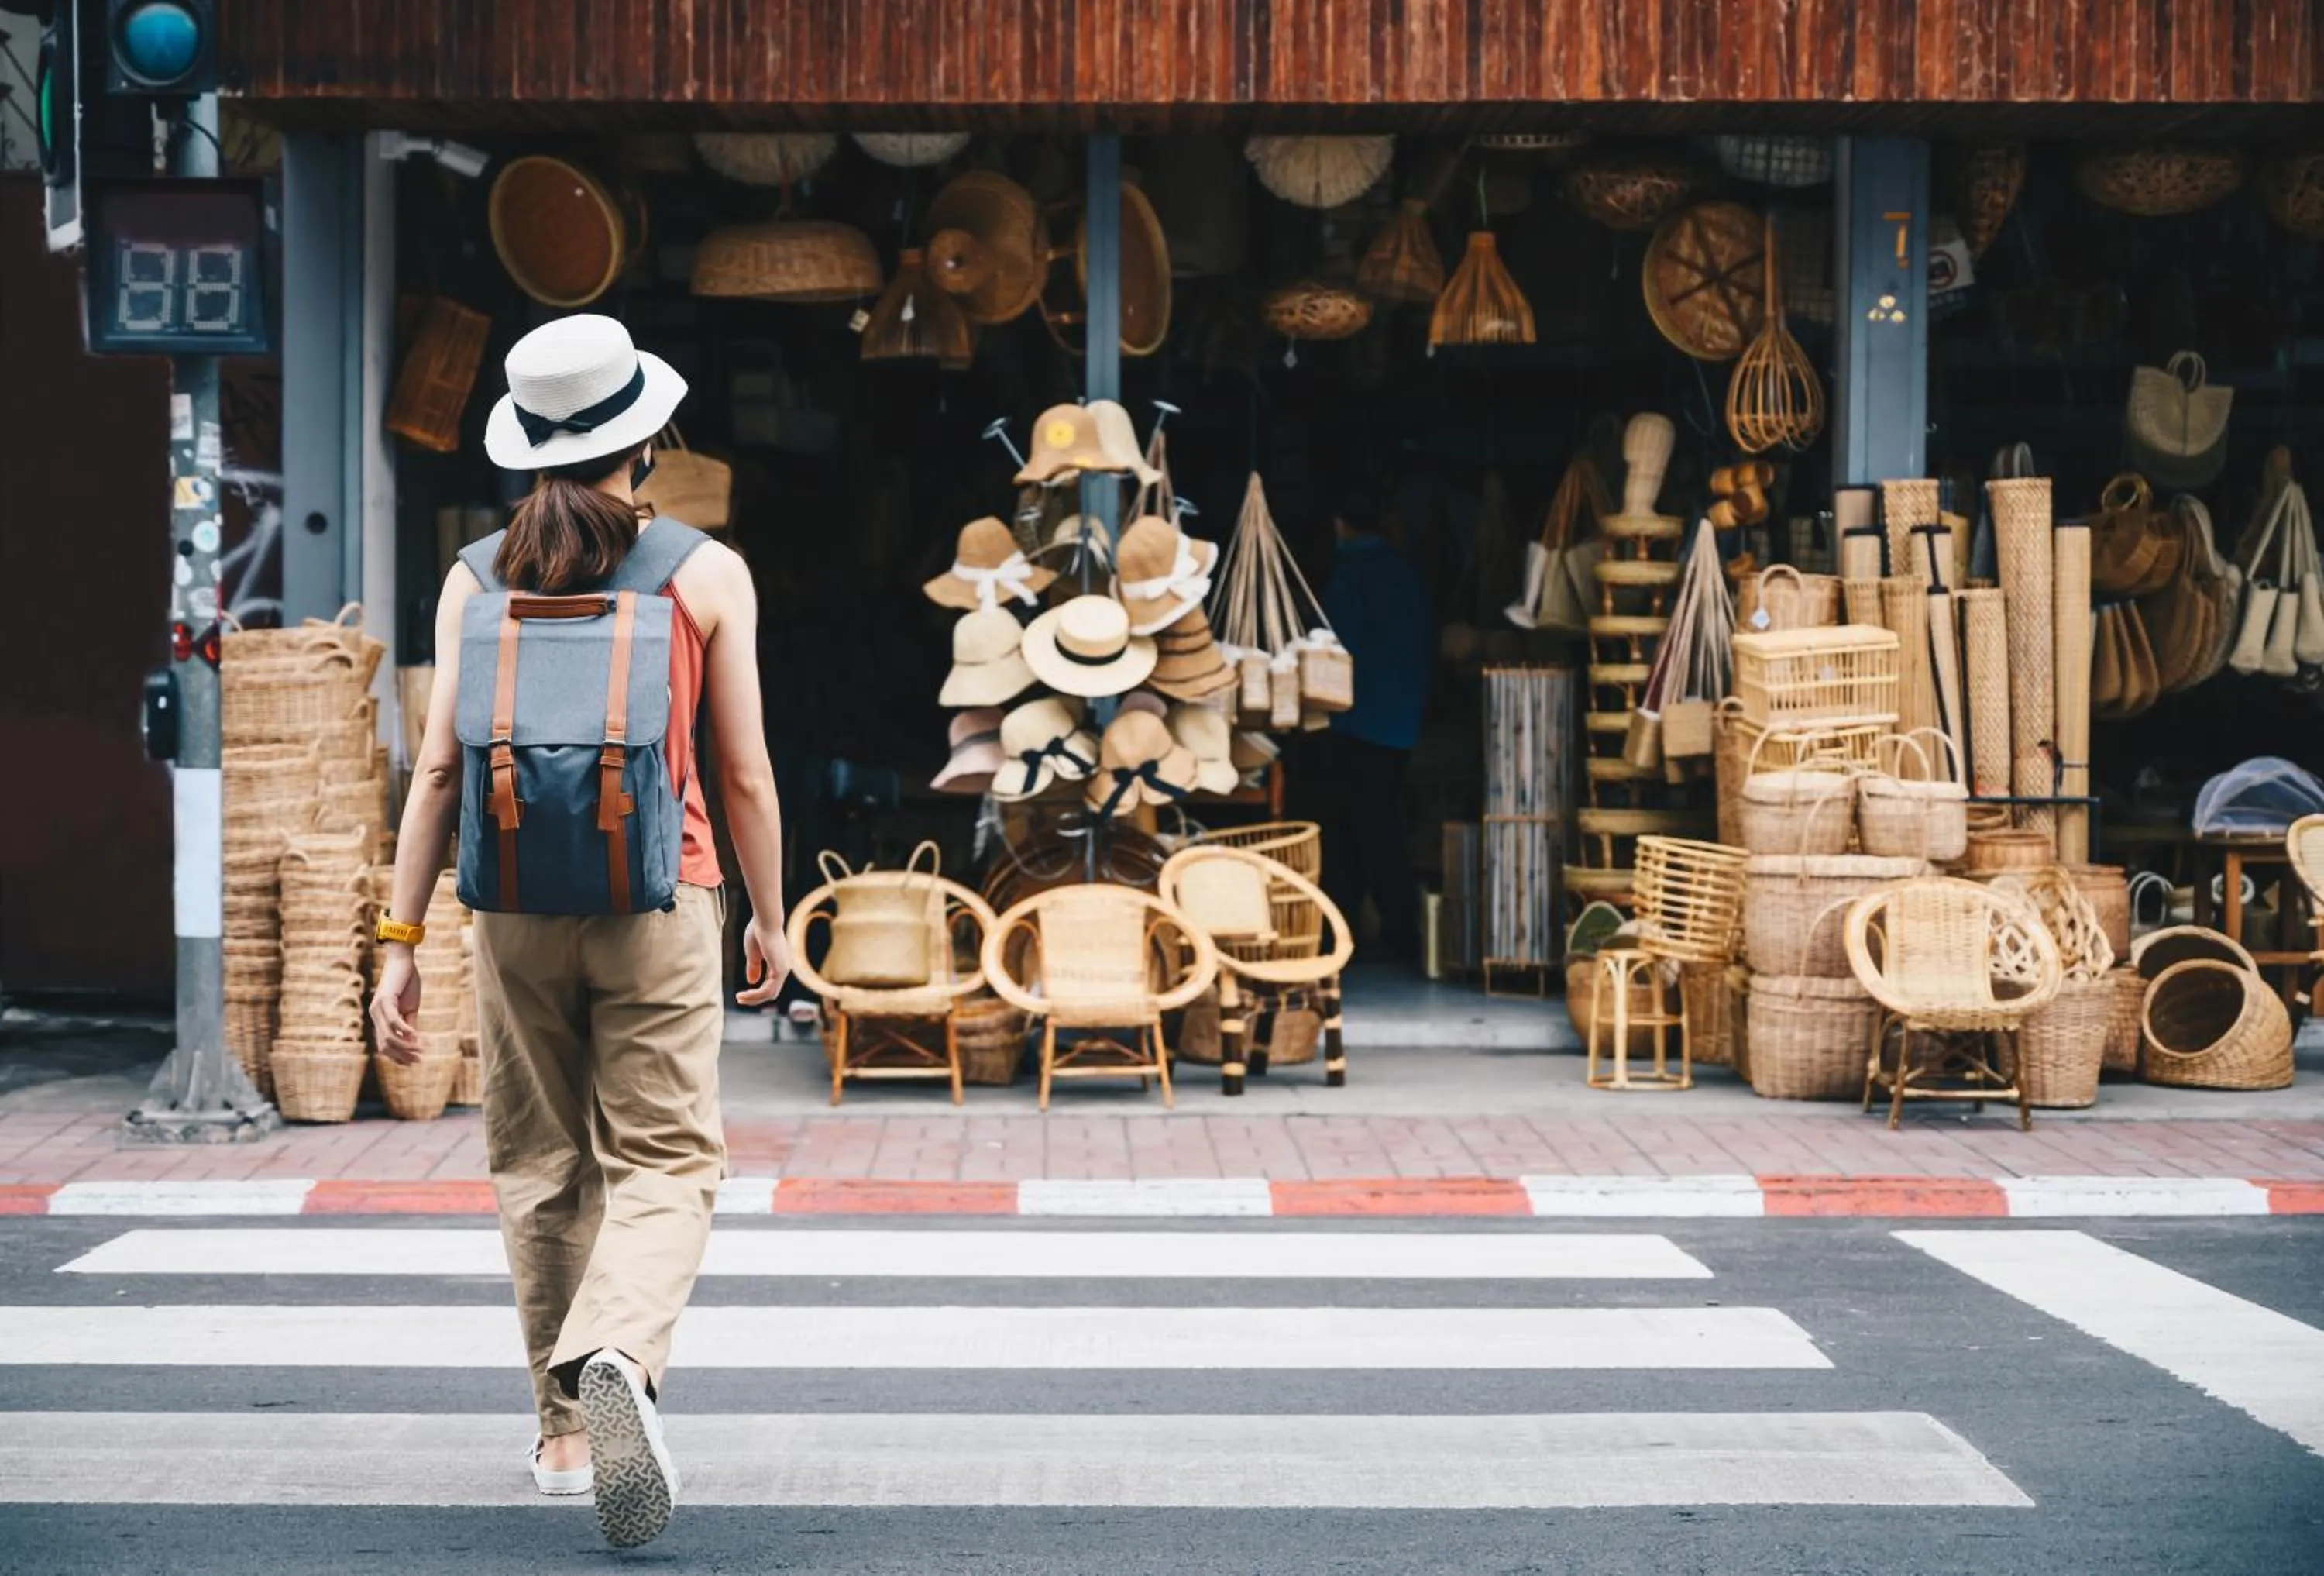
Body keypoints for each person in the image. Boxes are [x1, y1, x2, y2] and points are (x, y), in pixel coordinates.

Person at [370, 314, 792, 1550]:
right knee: (667, 1157)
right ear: (645, 438)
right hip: (665, 898)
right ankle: (617, 1349)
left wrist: (399, 934)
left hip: (507, 909)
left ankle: (562, 1431)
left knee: (541, 1157)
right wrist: (772, 920)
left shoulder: (473, 575)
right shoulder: (704, 572)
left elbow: (438, 768)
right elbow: (748, 771)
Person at [1315, 490, 1433, 963]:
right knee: (1384, 825)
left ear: (1340, 525)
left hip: (1358, 722)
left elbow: (1331, 652)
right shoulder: (1406, 573)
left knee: (1356, 831)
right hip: (1400, 722)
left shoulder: (1350, 576)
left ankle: (1353, 932)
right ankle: (1396, 929)